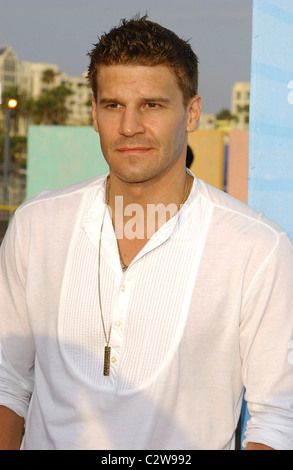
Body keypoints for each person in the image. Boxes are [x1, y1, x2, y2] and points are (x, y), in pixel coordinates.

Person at [0, 15, 292, 451]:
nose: (130, 126)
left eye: (152, 105)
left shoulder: (257, 248)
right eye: (113, 105)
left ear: (191, 113)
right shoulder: (37, 225)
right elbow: (7, 383)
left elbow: (277, 417)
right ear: (94, 113)